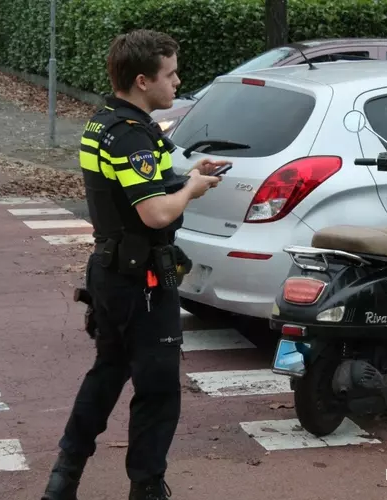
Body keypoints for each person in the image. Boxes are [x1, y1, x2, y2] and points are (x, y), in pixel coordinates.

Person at [40, 29, 227, 500]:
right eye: (170, 74)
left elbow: (136, 188)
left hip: (112, 271)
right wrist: (191, 191)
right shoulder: (130, 135)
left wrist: (186, 175)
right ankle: (146, 487)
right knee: (158, 387)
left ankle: (64, 477)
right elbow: (156, 212)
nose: (178, 81)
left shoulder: (104, 123)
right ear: (143, 81)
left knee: (107, 373)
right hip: (140, 280)